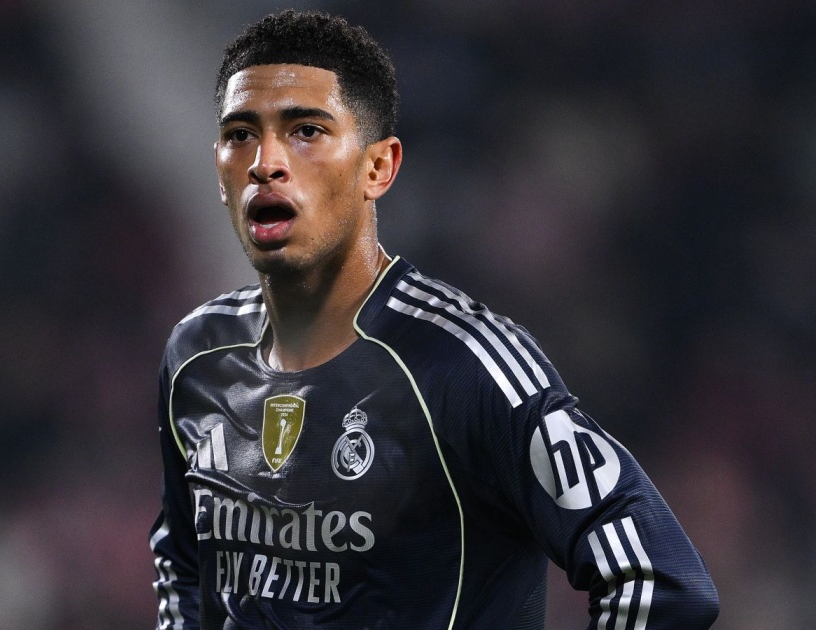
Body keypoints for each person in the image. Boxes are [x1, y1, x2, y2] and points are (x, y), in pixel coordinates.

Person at [149, 9, 719, 629]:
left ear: (378, 167)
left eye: (306, 130)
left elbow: (661, 582)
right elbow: (183, 567)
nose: (266, 162)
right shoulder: (197, 357)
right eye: (240, 134)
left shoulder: (466, 366)